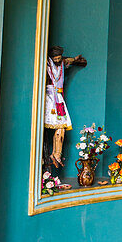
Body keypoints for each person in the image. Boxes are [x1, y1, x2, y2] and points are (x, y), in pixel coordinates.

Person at [43, 44, 87, 175]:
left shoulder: (62, 63)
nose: (57, 60)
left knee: (62, 127)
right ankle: (52, 155)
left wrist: (75, 59)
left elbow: (70, 60)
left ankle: (56, 154)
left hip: (59, 98)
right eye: (55, 58)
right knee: (54, 126)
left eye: (59, 58)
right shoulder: (47, 64)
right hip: (49, 98)